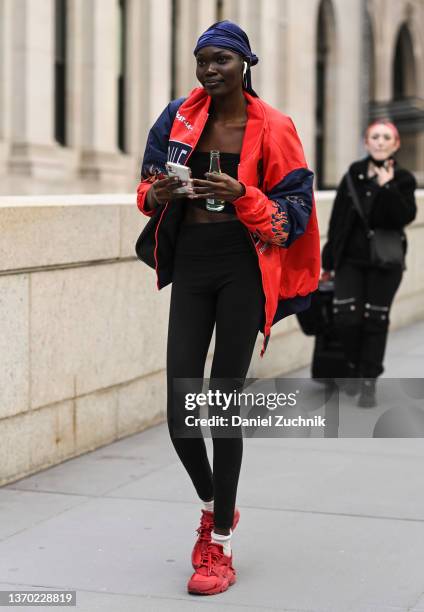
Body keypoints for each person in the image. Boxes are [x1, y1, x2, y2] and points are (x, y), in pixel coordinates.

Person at [136, 20, 320, 595]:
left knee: (221, 400)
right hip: (190, 262)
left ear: (245, 64)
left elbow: (296, 213)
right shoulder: (177, 116)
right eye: (202, 60)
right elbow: (144, 191)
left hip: (243, 268)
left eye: (221, 60)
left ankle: (219, 545)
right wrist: (159, 193)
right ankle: (216, 504)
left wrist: (242, 195)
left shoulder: (275, 126)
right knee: (179, 408)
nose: (210, 70)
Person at [321, 120, 417, 408]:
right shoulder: (353, 174)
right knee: (346, 318)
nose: (380, 141)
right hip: (350, 260)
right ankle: (353, 364)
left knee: (376, 320)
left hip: (385, 263)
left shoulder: (403, 179)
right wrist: (329, 259)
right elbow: (338, 218)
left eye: (386, 137)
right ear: (366, 142)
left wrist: (387, 187)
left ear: (395, 144)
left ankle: (368, 380)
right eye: (374, 136)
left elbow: (403, 217)